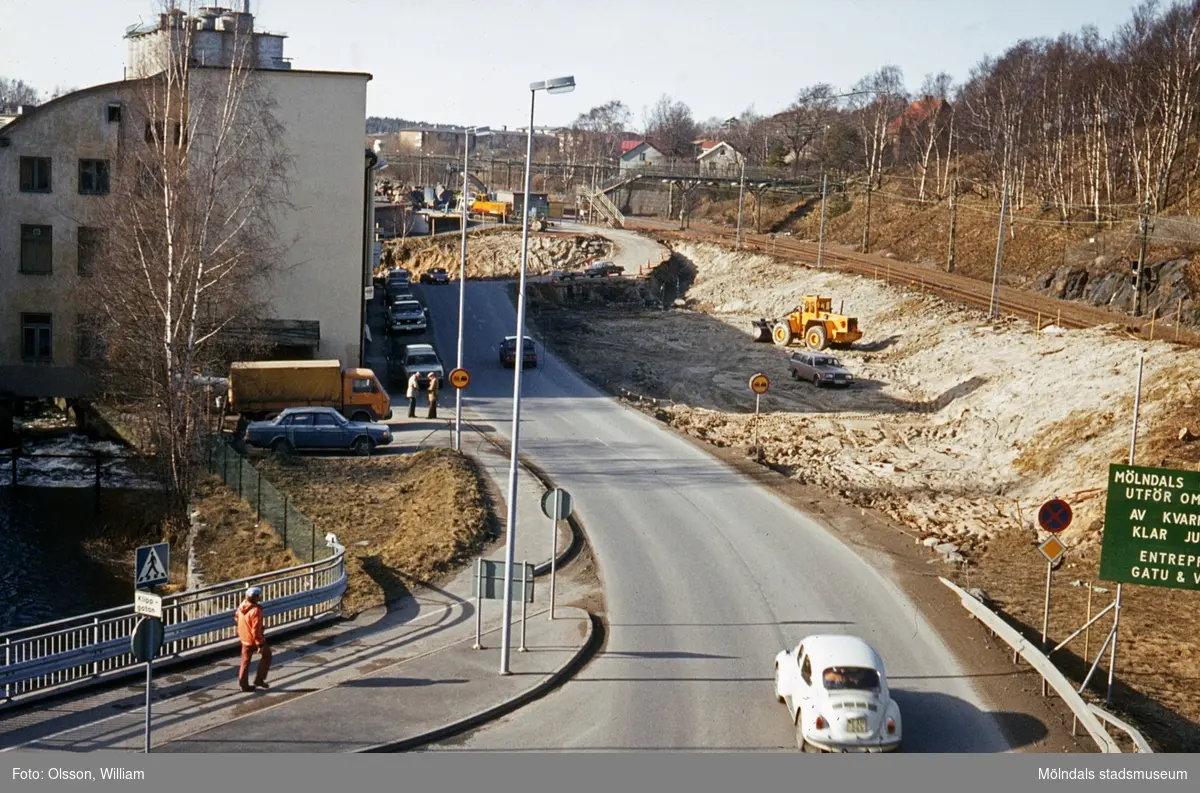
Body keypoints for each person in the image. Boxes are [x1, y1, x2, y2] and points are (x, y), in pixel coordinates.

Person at [234, 586, 271, 691]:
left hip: (244, 638)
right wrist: (260, 644)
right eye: (258, 596)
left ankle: (243, 684)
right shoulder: (256, 611)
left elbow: (236, 617)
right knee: (267, 655)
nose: (259, 598)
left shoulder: (242, 606)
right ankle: (259, 679)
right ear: (255, 597)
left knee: (245, 662)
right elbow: (256, 630)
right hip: (253, 640)